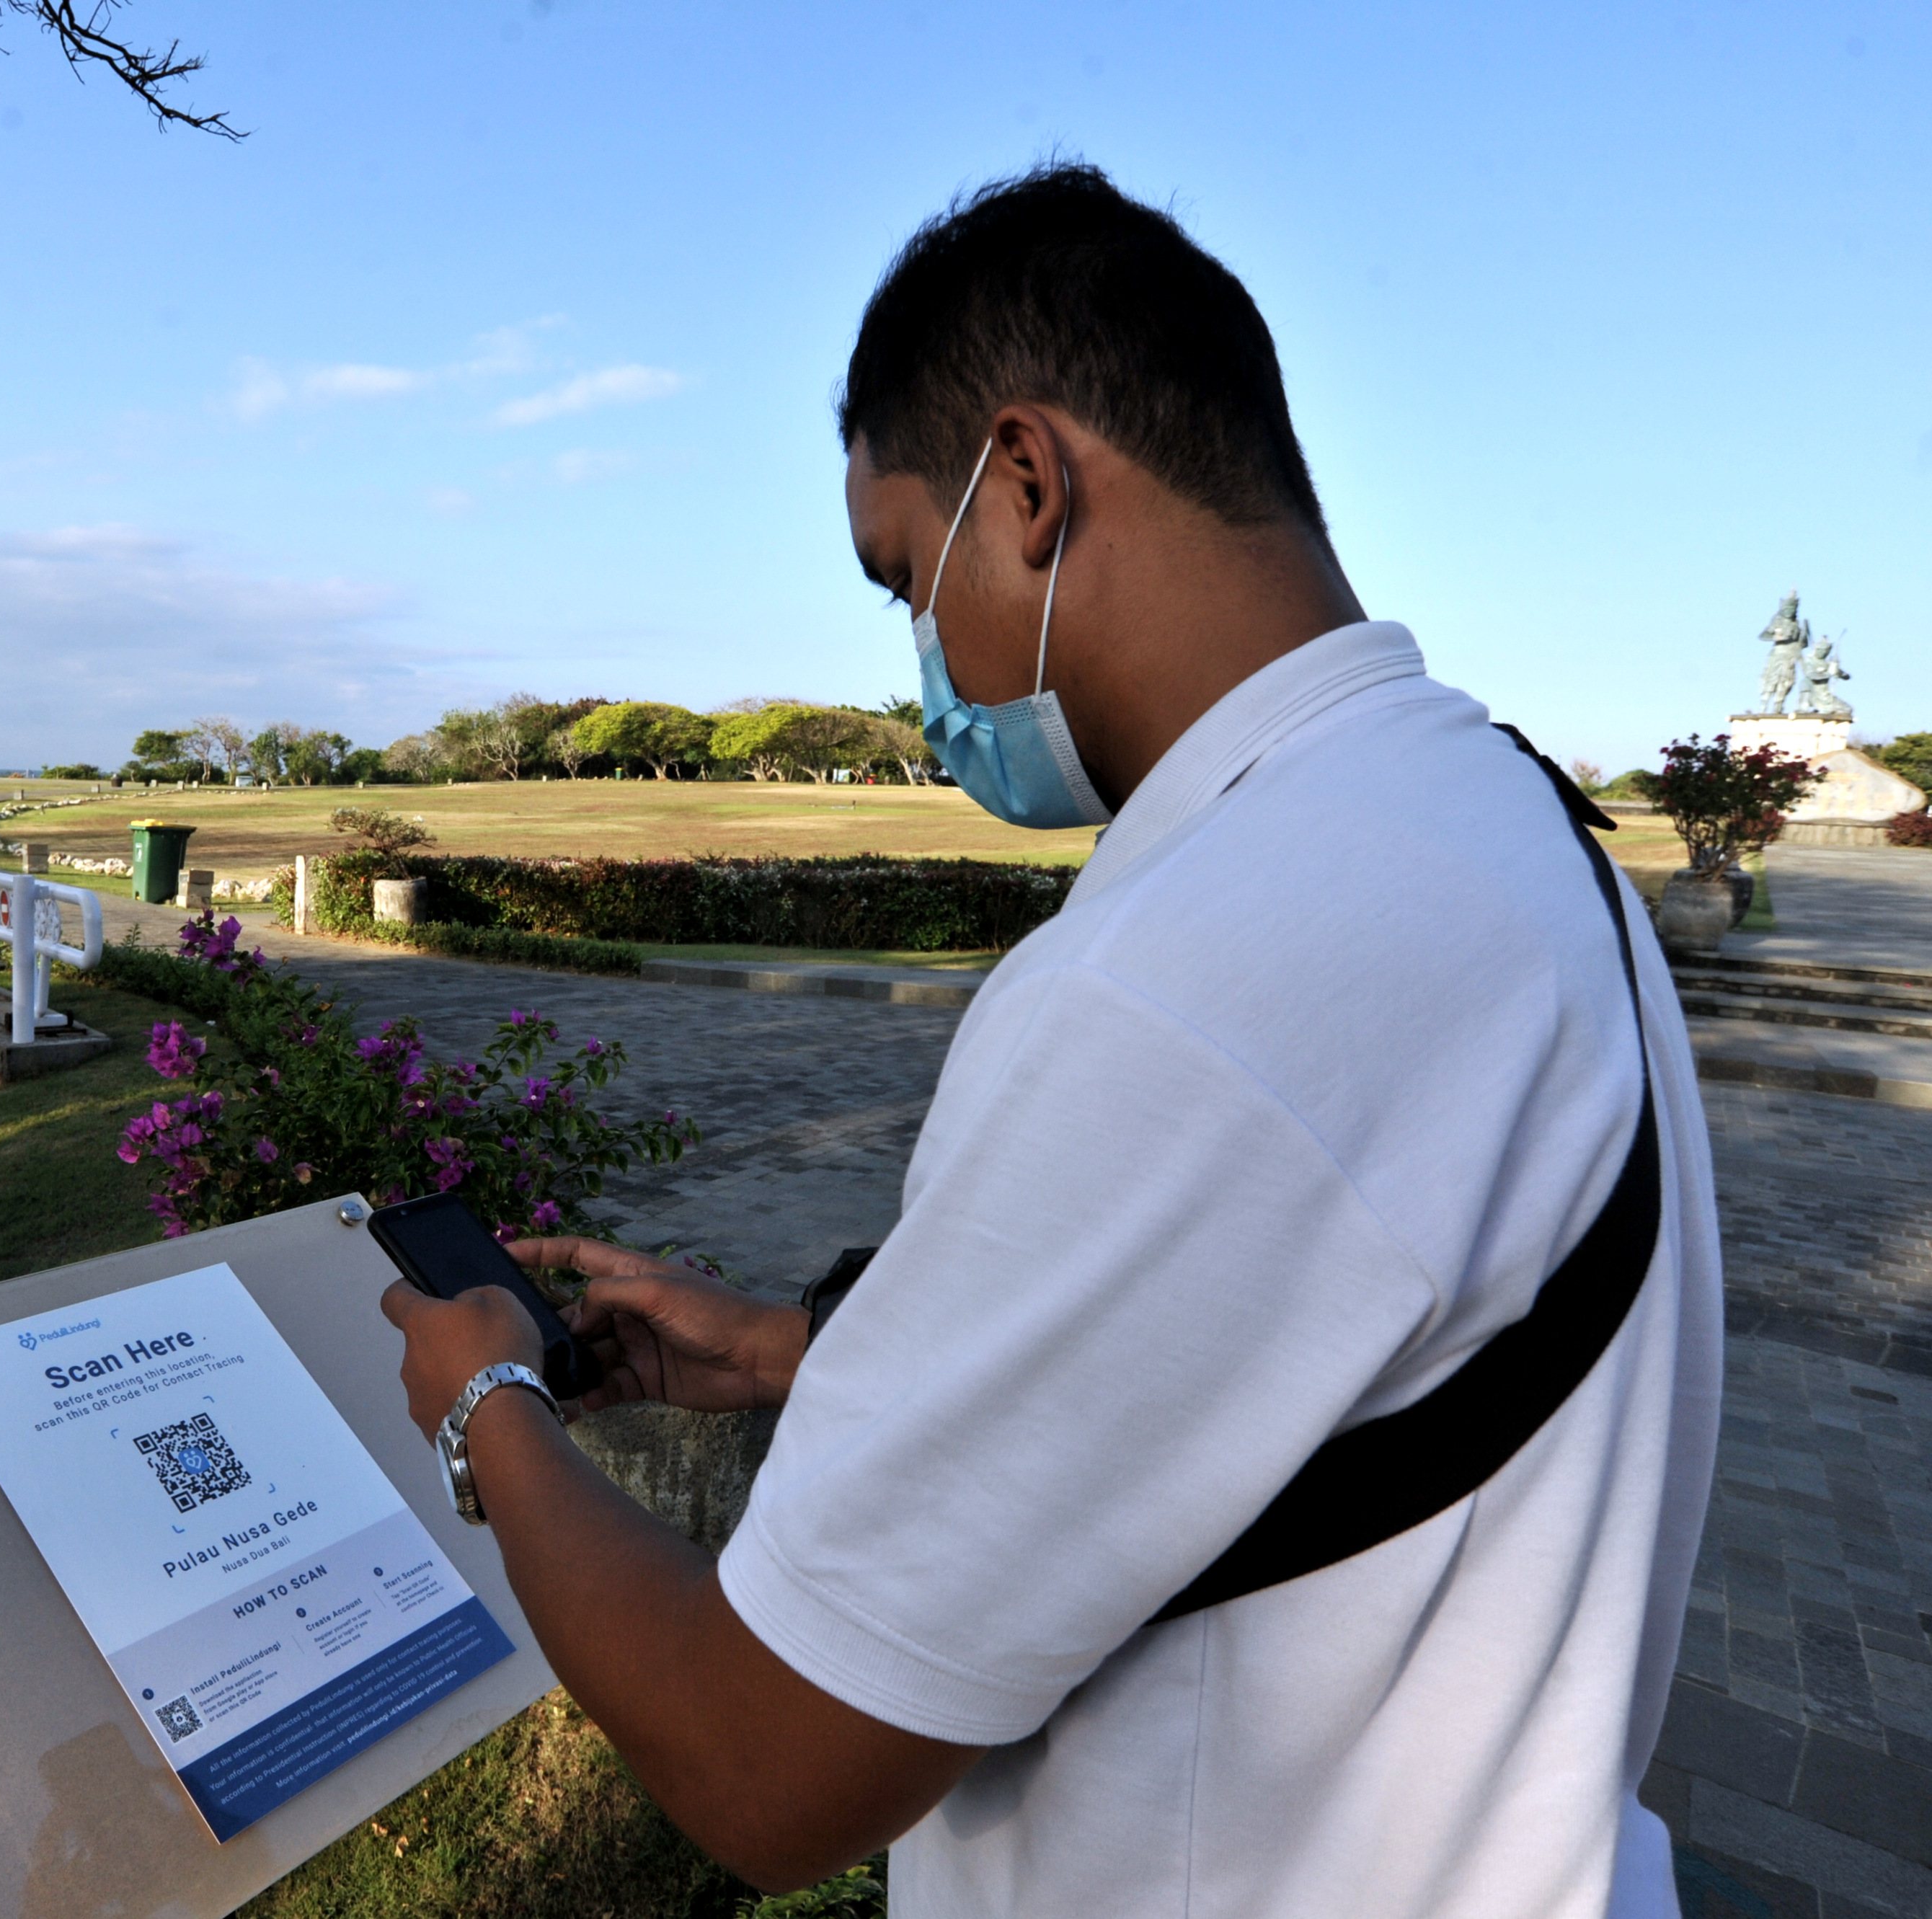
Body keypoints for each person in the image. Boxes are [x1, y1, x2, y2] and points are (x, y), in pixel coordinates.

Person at [381, 164, 1723, 1918]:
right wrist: (807, 1350)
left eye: (898, 580)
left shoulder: (1187, 970)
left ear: (1024, 485)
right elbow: (1300, 1361)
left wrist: (485, 1399)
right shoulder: (1498, 820)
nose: (921, 662)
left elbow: (764, 1764)